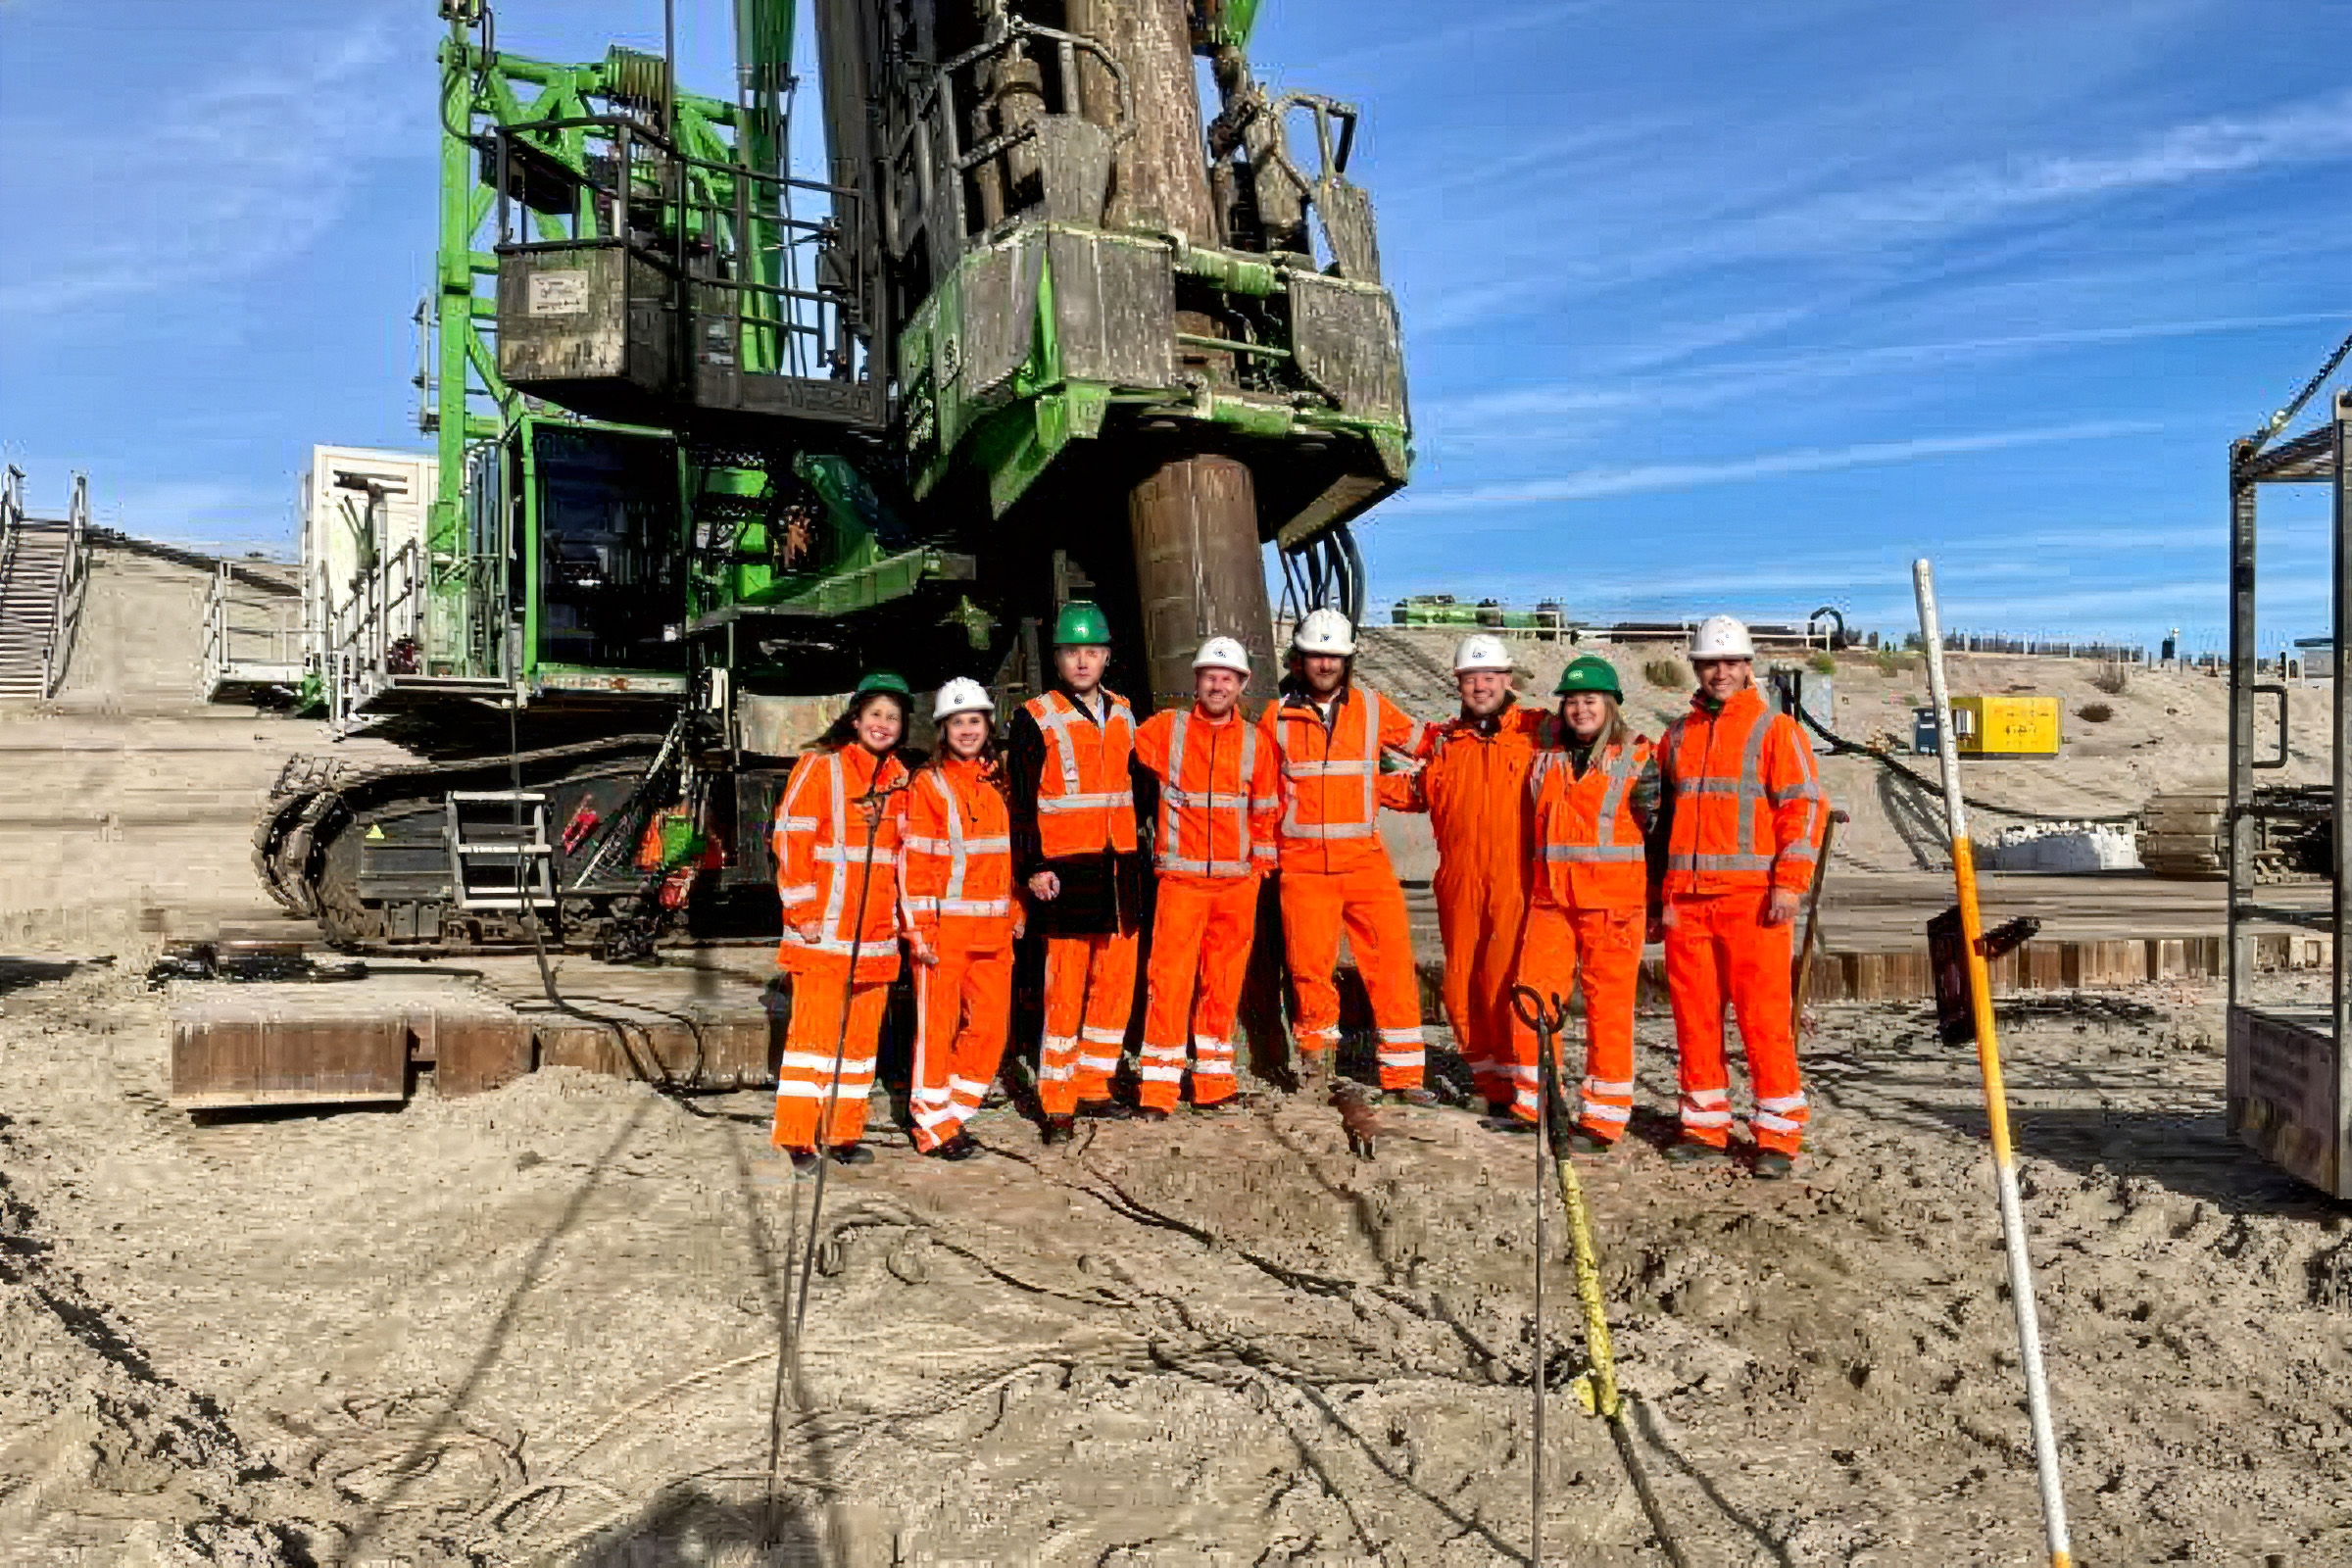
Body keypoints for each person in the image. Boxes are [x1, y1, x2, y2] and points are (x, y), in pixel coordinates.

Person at [1654, 615, 1828, 1179]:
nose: (1720, 673)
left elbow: (1802, 810)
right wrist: (1659, 896)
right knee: (1694, 1019)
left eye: (1730, 663)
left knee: (1763, 1019)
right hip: (1688, 901)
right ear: (1697, 668)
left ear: (1748, 667)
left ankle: (1777, 1134)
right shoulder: (1677, 735)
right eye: (1710, 663)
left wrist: (1789, 883)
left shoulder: (1776, 731)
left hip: (1753, 902)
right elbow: (1661, 824)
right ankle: (1705, 1125)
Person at [1259, 608, 1434, 1103]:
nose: (1325, 664)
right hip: (1303, 865)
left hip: (1364, 861)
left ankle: (1404, 1077)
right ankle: (1319, 1069)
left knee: (1392, 962)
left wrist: (1425, 777)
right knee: (1309, 970)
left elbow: (1429, 746)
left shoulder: (1375, 708)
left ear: (1347, 661)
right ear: (1299, 660)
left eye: (1334, 656)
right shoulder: (1276, 718)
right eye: (1316, 655)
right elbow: (1264, 795)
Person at [1005, 600, 1150, 1144]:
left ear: (1107, 656)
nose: (1083, 661)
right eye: (1072, 652)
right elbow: (1020, 802)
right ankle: (1057, 1101)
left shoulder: (1126, 711)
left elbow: (1142, 786)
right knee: (1064, 990)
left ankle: (1095, 1084)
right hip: (1065, 874)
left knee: (1114, 985)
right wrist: (1033, 867)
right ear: (1058, 658)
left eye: (1092, 651)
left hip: (1119, 872)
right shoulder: (1034, 717)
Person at [1129, 636, 1283, 1117]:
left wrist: (1258, 871)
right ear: (1196, 681)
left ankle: (1214, 1082)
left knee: (1222, 982)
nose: (1218, 685)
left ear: (1242, 685)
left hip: (1237, 884)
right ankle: (1158, 1089)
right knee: (1168, 981)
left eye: (1227, 678)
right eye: (1210, 676)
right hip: (1181, 882)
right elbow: (1119, 746)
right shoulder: (1164, 730)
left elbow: (1266, 812)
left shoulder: (1258, 743)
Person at [1509, 655, 1659, 1146]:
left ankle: (1603, 1118)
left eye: (1590, 700)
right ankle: (1534, 1105)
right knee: (1532, 1001)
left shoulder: (1639, 759)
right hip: (1551, 901)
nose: (1580, 709)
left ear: (1611, 705)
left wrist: (1658, 902)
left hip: (1613, 908)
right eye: (1572, 701)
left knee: (1608, 1012)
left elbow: (1662, 835)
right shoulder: (1546, 758)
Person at [1402, 634, 1553, 1116]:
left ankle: (1522, 1082)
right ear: (1459, 684)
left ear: (1508, 680)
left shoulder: (1537, 733)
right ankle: (1489, 1083)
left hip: (1516, 880)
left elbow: (1599, 736)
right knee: (1461, 983)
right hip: (1459, 881)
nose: (1481, 686)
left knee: (1509, 981)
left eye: (1489, 677)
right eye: (1471, 678)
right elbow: (1412, 789)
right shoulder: (1446, 743)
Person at [772, 671, 915, 1170]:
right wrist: (803, 913)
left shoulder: (900, 779)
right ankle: (797, 1136)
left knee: (858, 1046)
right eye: (875, 714)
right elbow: (791, 839)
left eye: (892, 717)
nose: (883, 724)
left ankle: (843, 1133)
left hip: (875, 935)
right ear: (855, 719)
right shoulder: (821, 766)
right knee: (812, 1040)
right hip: (824, 933)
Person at [902, 678, 1020, 1160]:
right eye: (957, 722)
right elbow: (915, 865)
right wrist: (918, 932)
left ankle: (955, 1110)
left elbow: (1007, 858)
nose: (966, 730)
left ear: (987, 725)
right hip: (943, 935)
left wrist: (1017, 910)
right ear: (942, 730)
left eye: (973, 720)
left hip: (994, 933)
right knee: (937, 1031)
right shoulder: (928, 785)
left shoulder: (999, 784)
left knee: (990, 1028)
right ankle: (932, 1127)